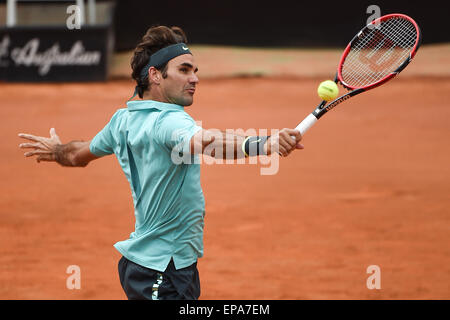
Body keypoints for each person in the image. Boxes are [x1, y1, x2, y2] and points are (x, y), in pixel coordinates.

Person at [18, 26, 304, 300]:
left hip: (146, 267)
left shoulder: (121, 121)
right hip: (164, 271)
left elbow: (77, 155)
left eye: (194, 71)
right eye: (184, 70)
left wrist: (56, 150)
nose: (194, 79)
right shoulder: (170, 121)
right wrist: (263, 144)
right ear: (155, 75)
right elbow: (207, 143)